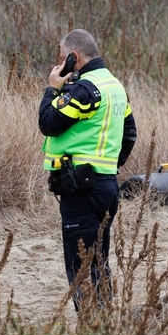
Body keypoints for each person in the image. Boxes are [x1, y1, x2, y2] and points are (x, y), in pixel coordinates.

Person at [38, 29, 136, 310]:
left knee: (82, 268)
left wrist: (52, 88)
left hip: (82, 191)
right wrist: (106, 170)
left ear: (73, 57)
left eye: (61, 57)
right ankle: (104, 334)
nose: (59, 63)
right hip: (105, 188)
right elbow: (130, 134)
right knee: (98, 264)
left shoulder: (83, 89)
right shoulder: (115, 86)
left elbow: (49, 122)